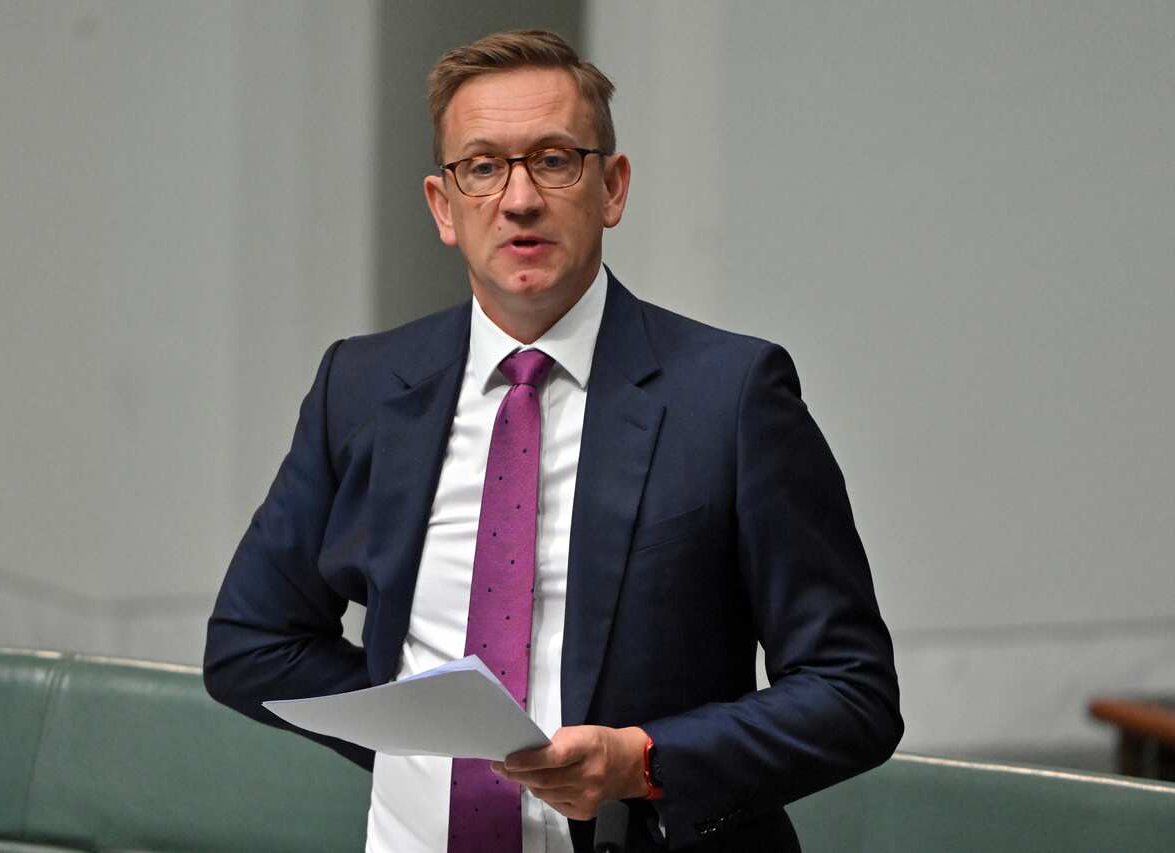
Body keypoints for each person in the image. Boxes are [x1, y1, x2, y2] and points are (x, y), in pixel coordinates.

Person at [204, 29, 902, 853]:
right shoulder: (360, 387)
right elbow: (253, 643)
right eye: (482, 167)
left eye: (554, 161)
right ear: (443, 206)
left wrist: (645, 761)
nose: (520, 198)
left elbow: (851, 691)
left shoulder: (731, 397)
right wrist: (422, 742)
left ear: (612, 187)